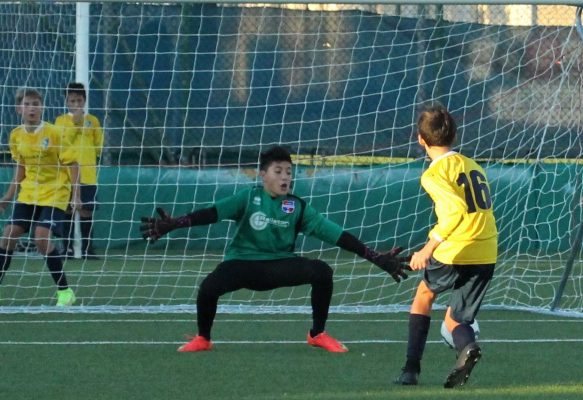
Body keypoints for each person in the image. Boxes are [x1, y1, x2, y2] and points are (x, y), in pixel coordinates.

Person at [140, 145, 409, 353]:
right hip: (242, 264)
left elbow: (337, 236)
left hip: (279, 265)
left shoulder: (297, 206)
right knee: (208, 288)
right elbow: (212, 214)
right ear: (263, 175)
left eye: (289, 172)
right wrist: (175, 224)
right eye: (278, 171)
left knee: (322, 271)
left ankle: (317, 334)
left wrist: (376, 258)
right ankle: (203, 338)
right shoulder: (248, 197)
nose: (285, 177)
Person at [394, 104, 497, 388]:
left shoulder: (434, 173)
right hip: (487, 250)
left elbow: (453, 211)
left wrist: (427, 249)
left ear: (420, 139)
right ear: (454, 136)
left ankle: (410, 370)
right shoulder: (472, 165)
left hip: (456, 249)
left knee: (424, 295)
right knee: (455, 320)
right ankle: (467, 347)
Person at [0, 88, 81, 306]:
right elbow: (21, 167)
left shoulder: (55, 133)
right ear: (19, 109)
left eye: (36, 104)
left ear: (42, 107)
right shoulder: (16, 135)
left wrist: (76, 196)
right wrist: (7, 197)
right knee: (8, 235)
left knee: (41, 237)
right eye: (27, 104)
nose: (32, 108)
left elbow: (73, 164)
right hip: (29, 193)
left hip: (55, 192)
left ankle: (65, 292)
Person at [54, 82, 104, 259]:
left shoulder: (93, 121)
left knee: (86, 210)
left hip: (88, 173)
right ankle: (66, 247)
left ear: (84, 101)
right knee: (67, 209)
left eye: (79, 100)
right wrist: (75, 123)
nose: (76, 104)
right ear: (66, 102)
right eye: (72, 101)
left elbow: (99, 146)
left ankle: (87, 248)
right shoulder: (61, 121)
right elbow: (62, 142)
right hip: (67, 174)